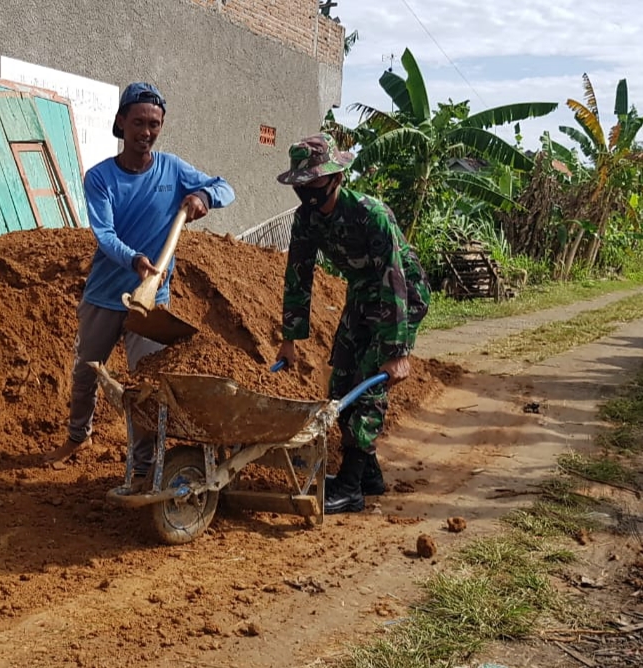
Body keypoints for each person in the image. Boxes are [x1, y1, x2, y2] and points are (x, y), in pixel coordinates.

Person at [45, 82, 235, 479]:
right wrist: (134, 260)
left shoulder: (173, 169)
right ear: (121, 122)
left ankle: (144, 464)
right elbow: (104, 233)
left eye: (154, 124)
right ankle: (79, 436)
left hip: (151, 301)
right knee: (86, 371)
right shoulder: (100, 178)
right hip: (105, 294)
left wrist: (204, 197)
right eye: (138, 123)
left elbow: (225, 187)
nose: (146, 132)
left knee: (147, 386)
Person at [274, 133, 430, 514]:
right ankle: (369, 476)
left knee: (370, 383)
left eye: (314, 182)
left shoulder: (369, 214)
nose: (308, 190)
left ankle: (350, 487)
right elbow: (298, 275)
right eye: (302, 184)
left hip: (401, 295)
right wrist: (290, 338)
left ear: (335, 177)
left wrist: (395, 352)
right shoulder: (306, 219)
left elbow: (393, 277)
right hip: (362, 292)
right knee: (342, 383)